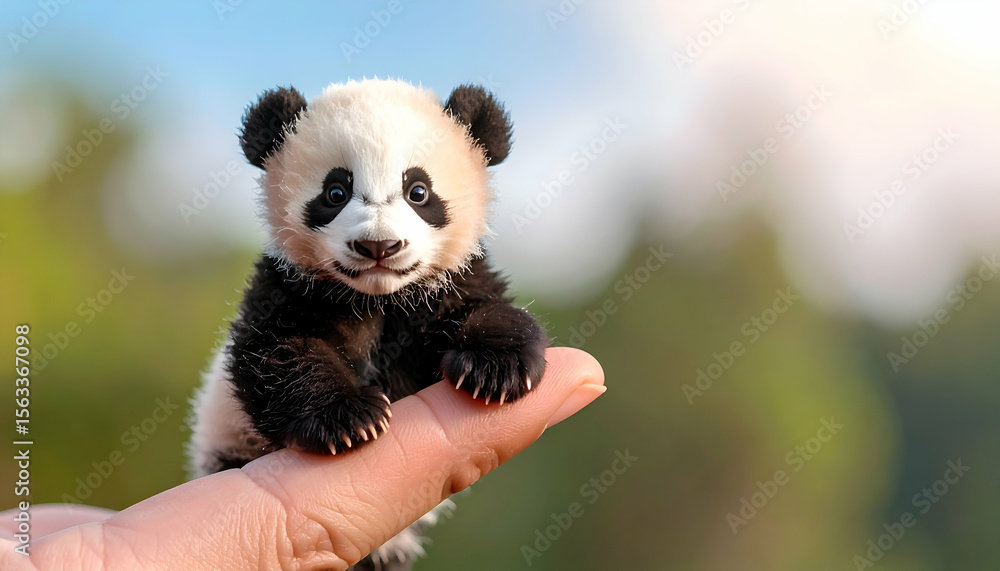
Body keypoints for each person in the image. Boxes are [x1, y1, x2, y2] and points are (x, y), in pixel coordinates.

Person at [0, 348, 604, 570]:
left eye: (416, 192)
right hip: (242, 466)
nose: (377, 228)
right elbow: (271, 360)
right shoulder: (286, 309)